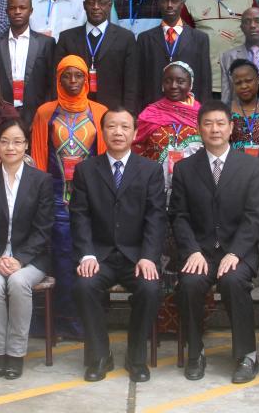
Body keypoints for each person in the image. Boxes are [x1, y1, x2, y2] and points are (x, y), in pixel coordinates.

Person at [171, 101, 259, 384]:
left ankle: (247, 355)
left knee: (233, 281)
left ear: (231, 127)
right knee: (189, 283)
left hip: (238, 251)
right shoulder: (185, 168)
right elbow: (178, 215)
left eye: (220, 123)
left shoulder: (251, 166)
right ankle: (195, 352)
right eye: (208, 123)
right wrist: (192, 250)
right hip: (200, 251)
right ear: (199, 128)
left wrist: (235, 252)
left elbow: (255, 216)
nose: (215, 129)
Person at [70, 107, 166, 383]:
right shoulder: (86, 170)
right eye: (112, 126)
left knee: (150, 288)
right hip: (100, 255)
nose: (118, 132)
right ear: (102, 132)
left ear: (135, 133)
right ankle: (100, 356)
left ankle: (136, 357)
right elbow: (79, 216)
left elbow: (156, 217)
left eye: (125, 127)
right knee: (84, 286)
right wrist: (87, 255)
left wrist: (148, 256)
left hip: (136, 256)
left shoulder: (150, 170)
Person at [31, 55, 108, 339]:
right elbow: (39, 158)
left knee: (91, 260)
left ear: (87, 79)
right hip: (57, 200)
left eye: (78, 76)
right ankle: (63, 321)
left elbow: (105, 158)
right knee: (62, 261)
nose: (73, 81)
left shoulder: (100, 112)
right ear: (58, 79)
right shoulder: (45, 113)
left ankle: (89, 319)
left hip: (91, 201)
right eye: (67, 75)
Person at [0, 119, 53, 380]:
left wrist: (20, 259)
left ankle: (16, 353)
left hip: (30, 259)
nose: (11, 147)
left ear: (26, 145)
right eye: (5, 141)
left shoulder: (41, 181)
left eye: (17, 142)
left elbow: (43, 229)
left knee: (18, 283)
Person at [54, 0, 139, 112]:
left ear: (109, 5)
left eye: (101, 3)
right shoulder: (67, 37)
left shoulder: (126, 38)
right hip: (74, 110)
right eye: (91, 3)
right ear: (84, 5)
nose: (96, 7)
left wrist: (129, 113)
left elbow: (131, 81)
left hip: (113, 111)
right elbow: (57, 77)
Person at [181, 0, 256, 95]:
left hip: (240, 81)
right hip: (205, 81)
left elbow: (257, 40)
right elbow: (184, 43)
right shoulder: (191, 2)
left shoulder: (247, 0)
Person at [0, 0, 55, 129]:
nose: (17, 12)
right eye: (12, 8)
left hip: (36, 114)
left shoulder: (46, 43)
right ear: (6, 11)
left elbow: (51, 83)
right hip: (1, 115)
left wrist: (45, 113)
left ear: (31, 11)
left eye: (22, 8)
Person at [136, 0, 213, 110]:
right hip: (155, 107)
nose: (170, 5)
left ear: (181, 5)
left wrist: (203, 110)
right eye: (165, 1)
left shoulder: (200, 38)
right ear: (159, 4)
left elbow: (205, 80)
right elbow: (139, 80)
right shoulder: (144, 39)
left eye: (174, 1)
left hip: (189, 109)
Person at [133, 62, 203, 187]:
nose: (173, 86)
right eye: (168, 81)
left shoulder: (202, 115)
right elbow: (137, 148)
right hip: (154, 184)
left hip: (193, 184)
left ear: (190, 84)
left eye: (180, 81)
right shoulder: (150, 113)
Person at [226, 59, 259, 156]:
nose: (244, 86)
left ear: (258, 79)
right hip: (235, 163)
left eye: (248, 81)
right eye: (238, 83)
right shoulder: (225, 111)